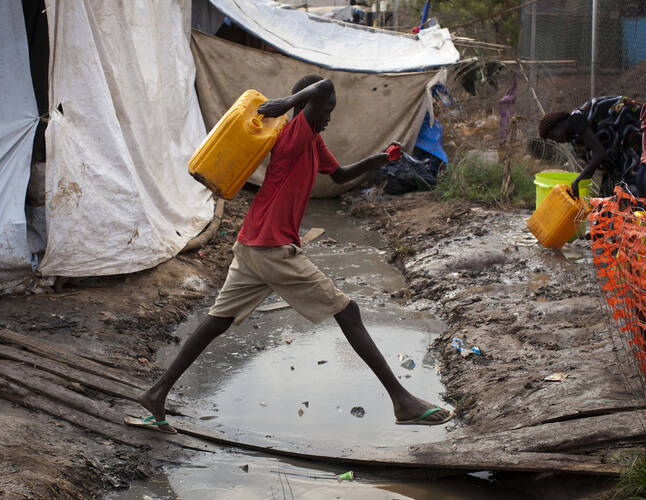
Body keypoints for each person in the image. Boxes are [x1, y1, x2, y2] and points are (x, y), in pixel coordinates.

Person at [138, 75, 453, 433]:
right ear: (306, 109)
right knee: (348, 312)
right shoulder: (292, 135)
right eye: (327, 112)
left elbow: (338, 175)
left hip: (251, 244)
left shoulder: (312, 140)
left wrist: (379, 159)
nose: (329, 117)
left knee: (217, 321)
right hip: (272, 249)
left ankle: (157, 393)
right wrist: (287, 104)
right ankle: (402, 401)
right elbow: (324, 87)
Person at [538, 96, 643, 198]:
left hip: (631, 122)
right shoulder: (575, 139)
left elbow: (600, 153)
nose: (556, 141)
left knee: (629, 183)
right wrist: (581, 180)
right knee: (607, 194)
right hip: (619, 141)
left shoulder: (575, 119)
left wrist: (577, 180)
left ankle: (637, 210)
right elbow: (595, 161)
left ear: (558, 125)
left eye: (553, 136)